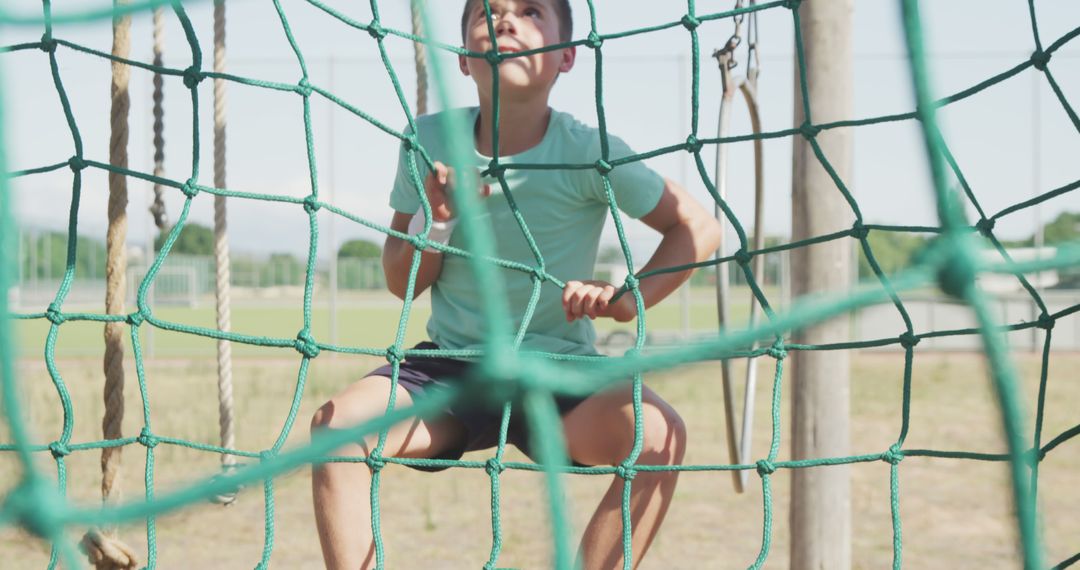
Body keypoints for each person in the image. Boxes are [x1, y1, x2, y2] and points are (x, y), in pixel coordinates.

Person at [311, 1, 722, 568]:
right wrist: (439, 217)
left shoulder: (588, 151)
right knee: (337, 428)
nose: (504, 20)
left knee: (660, 440)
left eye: (530, 11)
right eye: (487, 12)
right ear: (462, 60)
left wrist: (627, 301)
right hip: (454, 366)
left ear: (567, 58)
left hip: (561, 372)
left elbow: (697, 227)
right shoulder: (428, 140)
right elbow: (399, 280)